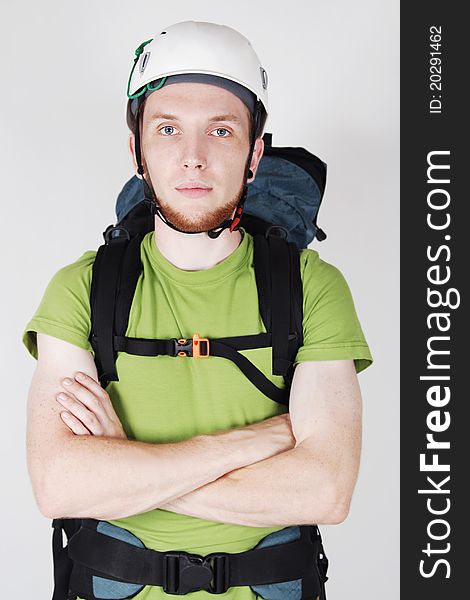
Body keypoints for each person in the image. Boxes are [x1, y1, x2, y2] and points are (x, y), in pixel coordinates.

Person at [23, 20, 373, 599]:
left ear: (254, 152)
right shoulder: (81, 288)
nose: (193, 158)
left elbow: (325, 492)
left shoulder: (312, 288)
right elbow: (59, 486)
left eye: (220, 131)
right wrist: (246, 444)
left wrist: (126, 468)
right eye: (167, 129)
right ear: (136, 149)